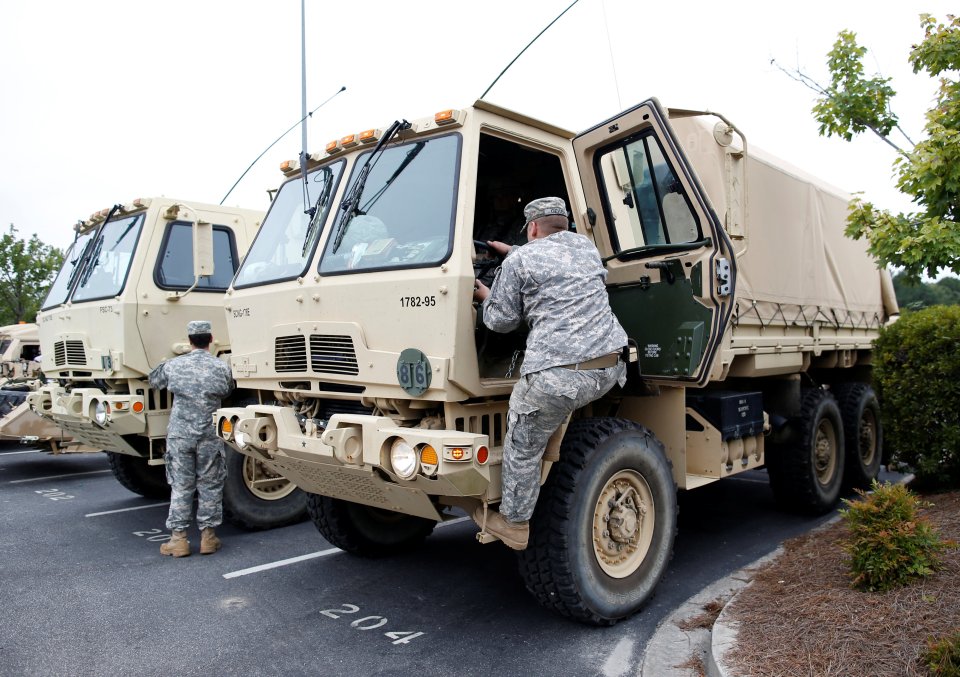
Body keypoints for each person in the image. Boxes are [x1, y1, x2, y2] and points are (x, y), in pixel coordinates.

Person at [472, 197, 628, 550]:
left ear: (532, 228)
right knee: (549, 411)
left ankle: (513, 524)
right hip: (608, 367)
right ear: (565, 225)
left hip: (559, 377)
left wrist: (487, 294)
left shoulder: (521, 261)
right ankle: (551, 431)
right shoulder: (586, 248)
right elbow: (557, 263)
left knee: (522, 444)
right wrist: (514, 254)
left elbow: (500, 321)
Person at [149, 320, 234, 557]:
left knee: (181, 486)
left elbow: (154, 381)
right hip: (209, 434)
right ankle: (208, 538)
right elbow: (228, 390)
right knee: (210, 484)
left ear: (189, 341)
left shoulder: (174, 365)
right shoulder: (221, 367)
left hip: (180, 435)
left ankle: (179, 540)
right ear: (211, 339)